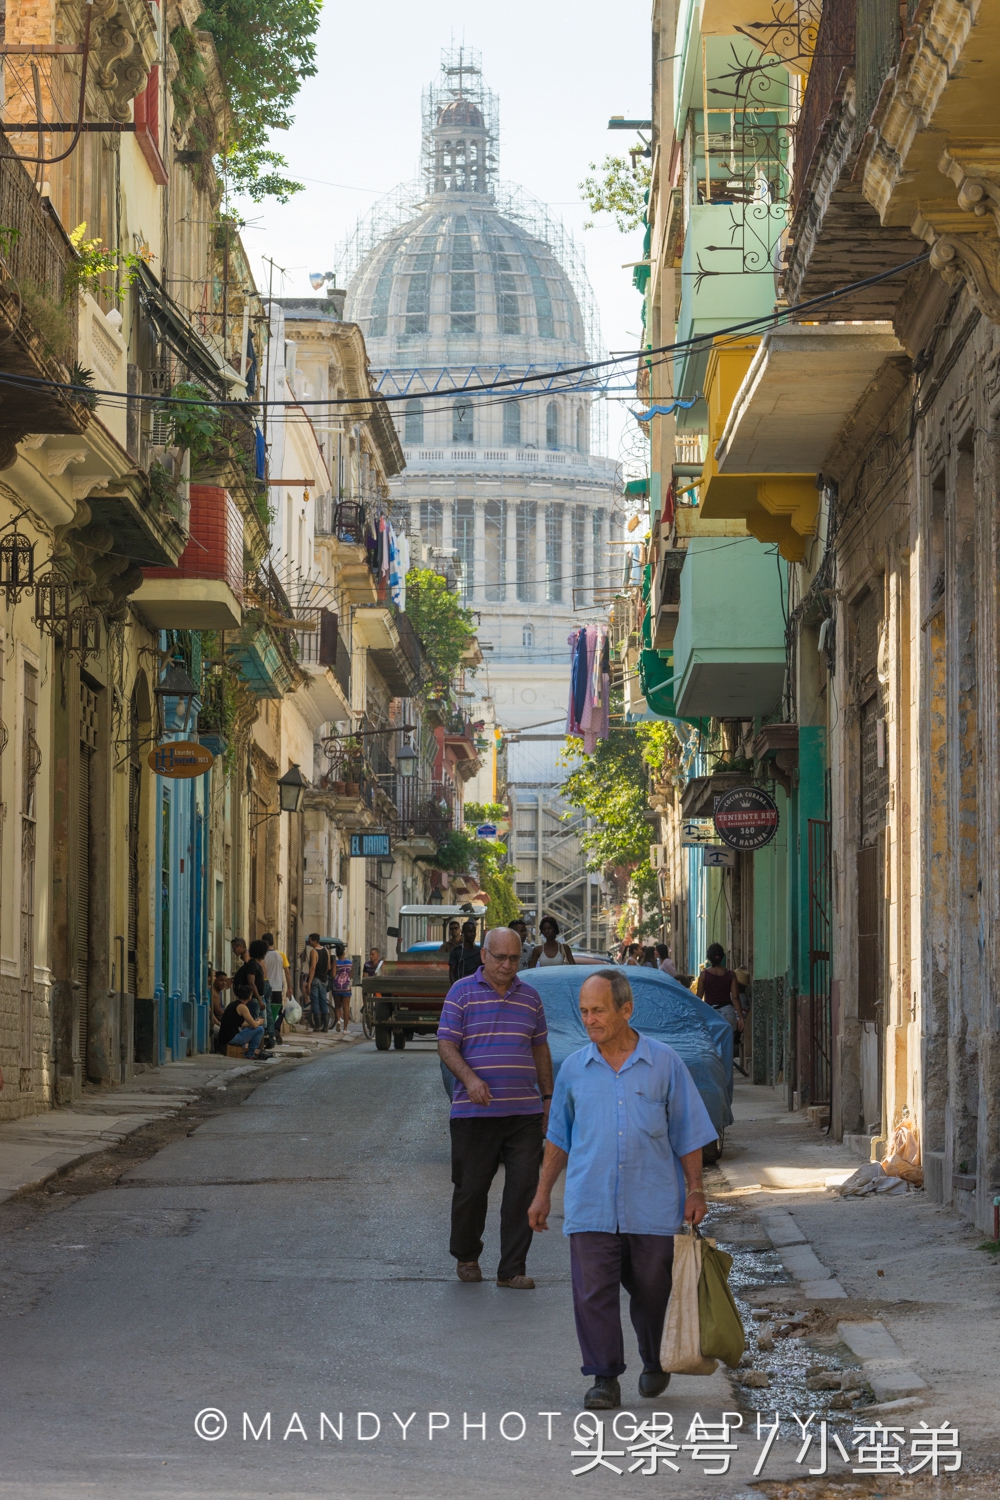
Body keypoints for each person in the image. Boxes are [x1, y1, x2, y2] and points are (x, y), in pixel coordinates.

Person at [528, 969, 716, 1411]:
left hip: (652, 1204)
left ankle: (655, 1359)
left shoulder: (664, 1063)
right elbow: (559, 1139)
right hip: (590, 1203)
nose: (589, 1021)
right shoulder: (574, 1069)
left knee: (653, 1288)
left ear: (626, 1010)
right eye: (584, 1012)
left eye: (598, 1011)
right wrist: (541, 1194)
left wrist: (696, 1189)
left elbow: (688, 1131)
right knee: (593, 1292)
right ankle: (603, 1376)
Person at [438, 927, 553, 1290]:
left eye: (514, 958)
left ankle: (511, 1269)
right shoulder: (461, 993)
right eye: (500, 957)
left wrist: (548, 1098)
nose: (507, 965)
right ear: (484, 955)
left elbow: (540, 1050)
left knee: (522, 1189)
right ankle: (467, 1255)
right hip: (474, 1114)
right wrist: (470, 1081)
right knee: (471, 1189)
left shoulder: (531, 997)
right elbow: (446, 1046)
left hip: (523, 1113)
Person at [696, 943, 745, 1034]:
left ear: (709, 957)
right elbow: (735, 997)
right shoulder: (731, 974)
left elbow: (698, 998)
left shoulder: (704, 975)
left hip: (710, 1014)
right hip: (728, 1013)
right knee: (728, 1044)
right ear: (722, 956)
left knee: (713, 1045)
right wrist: (741, 1017)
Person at [216, 991, 268, 1059]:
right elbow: (254, 1025)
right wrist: (259, 1022)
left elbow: (242, 1024)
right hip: (232, 1038)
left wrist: (254, 1022)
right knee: (260, 1029)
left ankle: (248, 1052)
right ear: (249, 997)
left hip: (225, 1037)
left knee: (249, 1028)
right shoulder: (242, 1007)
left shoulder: (232, 1004)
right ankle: (251, 1053)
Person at [261, 932, 290, 1044]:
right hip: (277, 988)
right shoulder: (280, 955)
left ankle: (268, 1032)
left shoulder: (262, 956)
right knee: (278, 1011)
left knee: (265, 1011)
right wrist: (289, 987)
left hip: (265, 987)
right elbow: (287, 972)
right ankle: (276, 1028)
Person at [306, 933, 331, 1032]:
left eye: (310, 940)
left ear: (314, 941)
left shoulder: (313, 952)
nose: (309, 942)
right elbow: (328, 966)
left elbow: (312, 968)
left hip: (316, 979)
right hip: (324, 979)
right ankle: (325, 1026)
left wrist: (309, 983)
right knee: (323, 1001)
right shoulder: (326, 951)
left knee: (315, 1002)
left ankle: (317, 1025)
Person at [331, 941, 353, 1032]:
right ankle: (345, 1028)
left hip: (336, 986)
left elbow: (333, 975)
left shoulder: (335, 962)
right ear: (344, 952)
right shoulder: (350, 962)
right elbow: (351, 974)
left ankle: (339, 1021)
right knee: (346, 1007)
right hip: (346, 987)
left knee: (337, 1006)